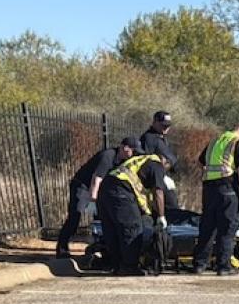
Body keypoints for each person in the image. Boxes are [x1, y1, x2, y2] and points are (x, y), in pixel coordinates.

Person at [95, 138, 168, 275]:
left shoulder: (138, 162)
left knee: (113, 229)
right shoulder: (156, 164)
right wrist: (162, 216)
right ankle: (129, 266)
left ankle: (116, 265)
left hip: (106, 187)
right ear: (163, 160)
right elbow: (158, 192)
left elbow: (144, 195)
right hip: (121, 190)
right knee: (132, 228)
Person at [192, 121, 239, 275]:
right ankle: (223, 266)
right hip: (227, 188)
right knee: (227, 229)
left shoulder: (215, 142)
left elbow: (201, 163)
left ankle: (200, 264)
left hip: (209, 189)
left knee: (207, 227)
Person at [55, 140, 129, 258]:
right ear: (124, 148)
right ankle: (62, 248)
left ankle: (101, 246)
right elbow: (96, 178)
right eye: (131, 150)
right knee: (75, 215)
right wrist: (93, 200)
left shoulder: (124, 161)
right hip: (83, 186)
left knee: (102, 218)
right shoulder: (108, 156)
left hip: (100, 189)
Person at [140, 110, 180, 213]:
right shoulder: (149, 138)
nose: (166, 128)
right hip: (158, 177)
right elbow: (146, 160)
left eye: (168, 126)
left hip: (165, 177)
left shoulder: (162, 138)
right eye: (163, 125)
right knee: (171, 208)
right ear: (155, 122)